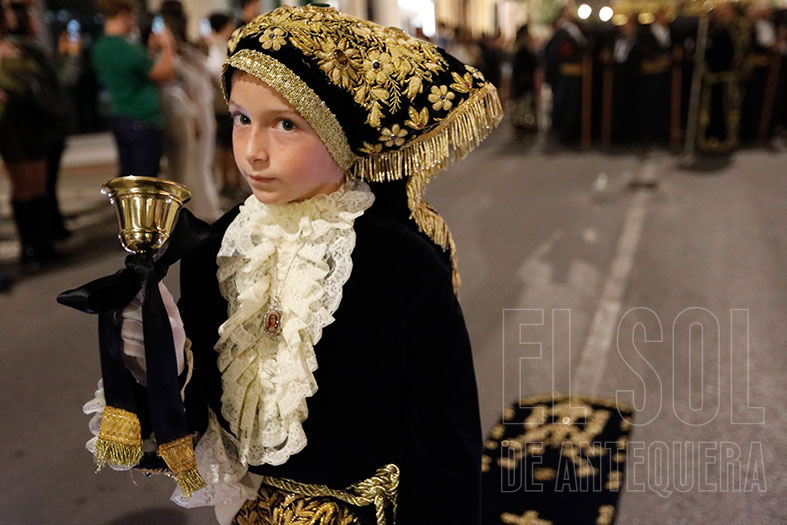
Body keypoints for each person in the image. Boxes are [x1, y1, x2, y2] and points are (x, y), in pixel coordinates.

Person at [79, 5, 503, 524]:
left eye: (285, 124)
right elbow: (200, 416)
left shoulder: (399, 263)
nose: (253, 151)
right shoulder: (218, 247)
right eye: (241, 119)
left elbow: (445, 445)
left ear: (341, 131)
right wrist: (164, 366)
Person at [0, 0, 60, 264]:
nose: (13, 15)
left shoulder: (19, 47)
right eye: (7, 10)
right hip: (12, 124)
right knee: (23, 186)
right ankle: (30, 247)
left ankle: (44, 244)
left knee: (39, 184)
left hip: (33, 119)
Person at [92, 0, 175, 177]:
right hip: (142, 117)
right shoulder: (125, 48)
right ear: (124, 14)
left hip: (119, 115)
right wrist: (168, 46)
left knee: (127, 176)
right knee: (145, 179)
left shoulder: (100, 47)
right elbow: (165, 73)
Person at [206, 12, 243, 199]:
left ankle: (234, 181)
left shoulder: (222, 46)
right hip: (222, 105)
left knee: (230, 144)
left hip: (226, 104)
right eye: (230, 25)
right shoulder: (216, 48)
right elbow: (219, 72)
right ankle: (229, 182)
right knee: (227, 145)